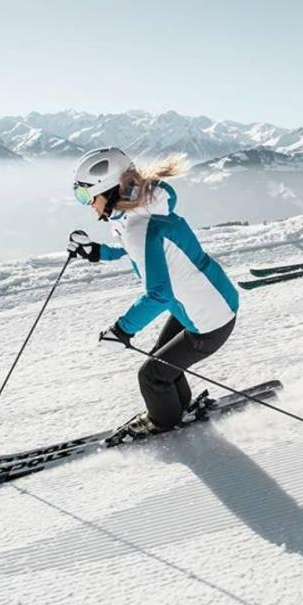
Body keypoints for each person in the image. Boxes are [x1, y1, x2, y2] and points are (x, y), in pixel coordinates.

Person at [67, 147, 239, 438]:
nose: (86, 204)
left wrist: (122, 330)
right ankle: (179, 408)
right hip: (211, 300)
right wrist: (97, 252)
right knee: (162, 360)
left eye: (85, 196)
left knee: (151, 376)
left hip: (209, 319)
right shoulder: (144, 208)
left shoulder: (138, 226)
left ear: (107, 190)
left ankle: (164, 422)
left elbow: (158, 293)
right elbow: (140, 250)